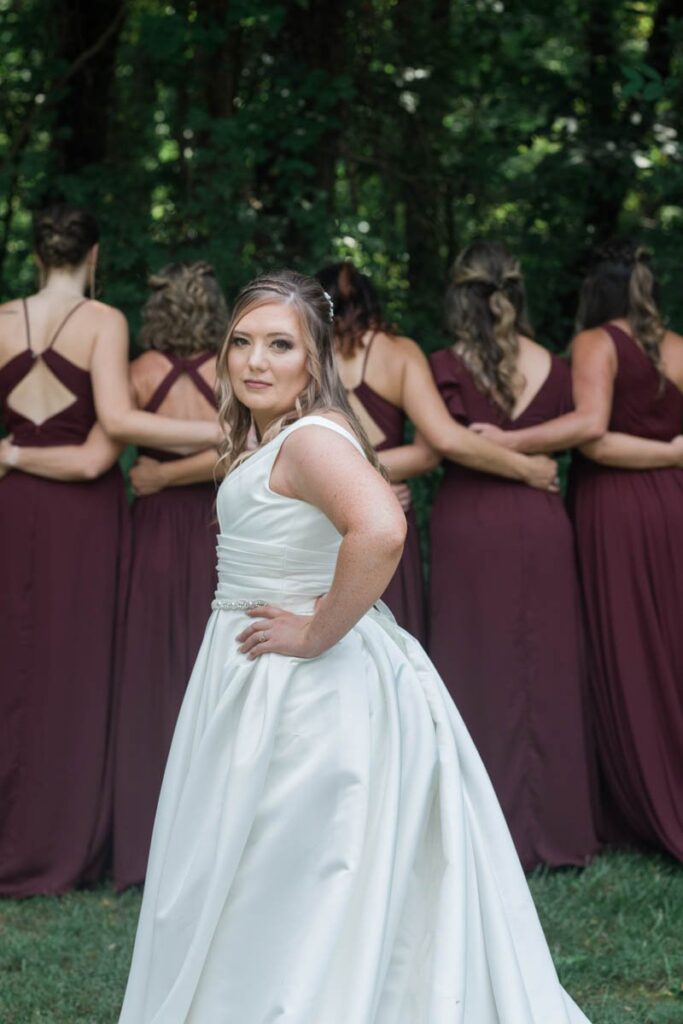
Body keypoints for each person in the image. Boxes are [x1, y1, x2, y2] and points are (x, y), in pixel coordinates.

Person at [118, 270, 590, 1023]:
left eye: (280, 345)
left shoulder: (310, 437)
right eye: (240, 342)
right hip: (258, 673)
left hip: (305, 691)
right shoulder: (278, 434)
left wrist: (313, 631)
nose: (253, 362)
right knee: (268, 870)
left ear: (314, 359)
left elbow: (379, 529)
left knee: (299, 869)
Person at [0, 204, 222, 897]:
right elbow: (107, 445)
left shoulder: (1, 320)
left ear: (37, 256)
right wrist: (232, 432)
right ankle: (68, 837)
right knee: (80, 669)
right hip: (80, 518)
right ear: (93, 258)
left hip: (12, 503)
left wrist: (10, 450)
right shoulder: (103, 322)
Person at [471, 240, 683, 860]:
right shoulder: (676, 344)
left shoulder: (596, 342)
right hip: (675, 501)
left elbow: (592, 433)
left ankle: (642, 794)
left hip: (620, 510)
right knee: (670, 642)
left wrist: (510, 441)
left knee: (630, 646)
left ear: (596, 289)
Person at [426, 241, 598, 870]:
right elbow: (588, 425)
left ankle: (482, 831)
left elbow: (446, 444)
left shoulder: (444, 362)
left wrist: (504, 455)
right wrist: (530, 466)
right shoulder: (554, 363)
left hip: (470, 522)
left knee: (475, 667)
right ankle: (559, 829)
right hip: (540, 519)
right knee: (547, 668)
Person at [113, 262, 227, 890]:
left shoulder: (136, 373)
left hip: (157, 521)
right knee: (205, 668)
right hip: (220, 520)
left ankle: (147, 844)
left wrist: (159, 475)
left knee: (155, 671)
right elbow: (244, 444)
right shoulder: (232, 372)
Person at [315, 262, 435, 641]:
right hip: (383, 508)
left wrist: (350, 479)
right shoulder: (399, 352)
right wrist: (374, 480)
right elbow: (428, 453)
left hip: (322, 508)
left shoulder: (302, 356)